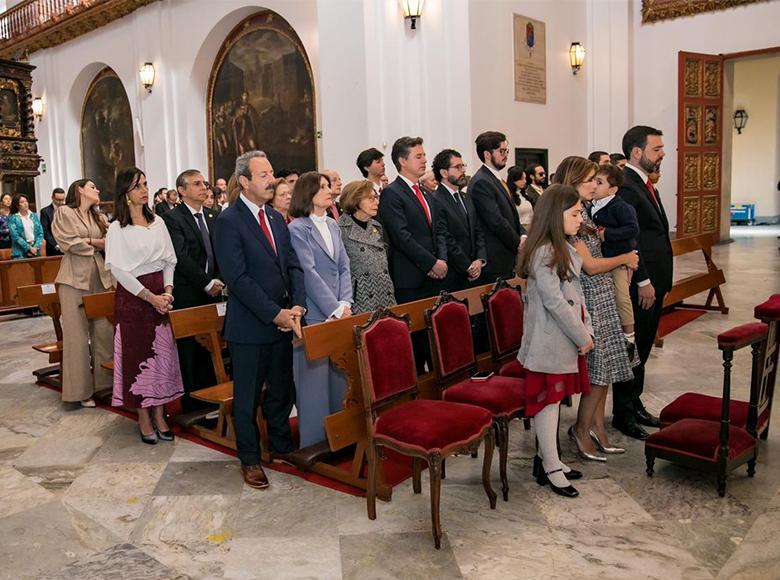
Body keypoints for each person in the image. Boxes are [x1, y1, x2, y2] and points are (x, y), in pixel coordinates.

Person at [214, 151, 305, 489]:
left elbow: (293, 266)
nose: (271, 180)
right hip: (250, 327)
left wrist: (297, 306)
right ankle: (250, 459)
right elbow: (237, 279)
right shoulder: (229, 221)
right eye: (263, 175)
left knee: (282, 390)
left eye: (271, 173)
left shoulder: (277, 218)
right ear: (244, 182)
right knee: (248, 396)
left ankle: (281, 446)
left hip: (284, 321)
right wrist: (275, 313)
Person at [553, 157, 639, 460]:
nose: (594, 184)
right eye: (589, 179)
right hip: (589, 297)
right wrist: (625, 258)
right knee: (598, 374)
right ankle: (581, 430)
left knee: (608, 372)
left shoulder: (586, 211)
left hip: (603, 296)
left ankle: (597, 429)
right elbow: (588, 266)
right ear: (574, 181)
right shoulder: (569, 216)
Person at [516, 184, 593, 498]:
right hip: (550, 342)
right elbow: (555, 302)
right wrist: (581, 335)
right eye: (574, 213)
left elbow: (574, 296)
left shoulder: (559, 246)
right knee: (548, 404)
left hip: (563, 339)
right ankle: (550, 468)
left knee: (555, 403)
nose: (580, 218)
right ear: (554, 215)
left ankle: (550, 460)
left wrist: (586, 328)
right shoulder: (545, 252)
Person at [105, 167, 183, 445]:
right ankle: (143, 416)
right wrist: (150, 296)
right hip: (134, 297)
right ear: (125, 193)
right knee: (139, 358)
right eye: (138, 186)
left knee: (162, 357)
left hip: (161, 293)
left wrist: (168, 291)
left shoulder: (158, 222)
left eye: (146, 184)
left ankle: (161, 414)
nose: (144, 190)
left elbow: (169, 260)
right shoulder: (117, 228)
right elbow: (118, 270)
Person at [612, 125, 672, 439]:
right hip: (642, 284)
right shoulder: (627, 186)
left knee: (644, 346)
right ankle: (623, 413)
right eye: (657, 149)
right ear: (637, 152)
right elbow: (630, 239)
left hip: (656, 280)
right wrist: (644, 280)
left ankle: (635, 403)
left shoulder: (645, 184)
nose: (663, 154)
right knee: (632, 349)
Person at [289, 172, 353, 448]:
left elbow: (344, 266)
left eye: (329, 186)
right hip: (316, 312)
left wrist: (346, 302)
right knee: (313, 382)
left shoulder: (333, 224)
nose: (329, 191)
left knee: (339, 375)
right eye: (323, 187)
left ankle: (340, 435)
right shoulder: (297, 228)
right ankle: (314, 441)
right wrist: (333, 307)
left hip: (340, 308)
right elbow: (308, 272)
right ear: (308, 194)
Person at [379, 136, 446, 373]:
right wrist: (431, 263)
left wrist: (442, 260)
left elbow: (438, 230)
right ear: (402, 161)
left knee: (433, 340)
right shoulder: (392, 194)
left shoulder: (427, 194)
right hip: (411, 279)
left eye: (424, 155)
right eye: (418, 156)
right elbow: (401, 237)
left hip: (434, 277)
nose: (424, 160)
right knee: (415, 343)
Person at [161, 169, 223, 412]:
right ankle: (194, 403)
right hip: (189, 291)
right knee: (190, 349)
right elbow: (181, 256)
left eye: (204, 183)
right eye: (196, 184)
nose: (203, 187)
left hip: (214, 289)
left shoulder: (212, 214)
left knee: (213, 345)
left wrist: (218, 279)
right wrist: (206, 282)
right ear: (182, 191)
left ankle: (213, 395)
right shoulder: (172, 218)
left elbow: (220, 250)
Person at [52, 179, 113, 407]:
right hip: (73, 279)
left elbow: (111, 241)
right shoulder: (65, 212)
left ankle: (105, 385)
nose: (97, 189)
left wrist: (94, 242)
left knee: (104, 330)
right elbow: (68, 242)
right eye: (92, 187)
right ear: (79, 190)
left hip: (100, 275)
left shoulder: (99, 216)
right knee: (77, 336)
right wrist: (96, 242)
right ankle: (79, 392)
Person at [591, 163, 639, 356]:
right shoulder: (592, 205)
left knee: (621, 295)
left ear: (612, 189)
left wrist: (607, 234)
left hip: (619, 258)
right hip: (603, 260)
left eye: (599, 182)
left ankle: (629, 335)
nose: (594, 185)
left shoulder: (620, 206)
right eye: (593, 180)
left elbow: (632, 229)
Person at [469, 131, 525, 282]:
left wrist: (524, 235)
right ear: (487, 154)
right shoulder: (482, 181)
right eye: (502, 151)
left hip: (506, 255)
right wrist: (518, 242)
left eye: (506, 150)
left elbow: (511, 215)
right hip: (495, 258)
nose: (506, 154)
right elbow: (496, 221)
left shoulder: (495, 178)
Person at [337, 180, 395, 313]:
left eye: (376, 197)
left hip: (385, 295)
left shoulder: (376, 226)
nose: (377, 202)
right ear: (355, 200)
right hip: (360, 299)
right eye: (371, 198)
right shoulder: (340, 228)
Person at [431, 148, 485, 291]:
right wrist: (467, 266)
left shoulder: (466, 197)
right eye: (457, 167)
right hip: (454, 274)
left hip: (476, 269)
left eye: (463, 166)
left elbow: (478, 230)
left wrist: (479, 260)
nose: (463, 170)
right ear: (443, 173)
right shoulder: (436, 200)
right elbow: (445, 238)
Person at [8, 193, 44, 259]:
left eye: (26, 201)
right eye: (22, 202)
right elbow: (15, 236)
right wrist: (29, 248)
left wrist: (36, 247)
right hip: (20, 252)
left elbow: (40, 233)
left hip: (35, 250)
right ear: (17, 205)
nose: (25, 203)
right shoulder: (13, 218)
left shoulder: (34, 215)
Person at [40, 188, 66, 256]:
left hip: (67, 245)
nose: (60, 202)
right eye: (58, 200)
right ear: (52, 198)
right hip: (53, 248)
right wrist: (55, 244)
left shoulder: (67, 209)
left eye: (62, 200)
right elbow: (45, 231)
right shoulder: (45, 211)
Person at [507, 165, 533, 230]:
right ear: (514, 179)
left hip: (530, 230)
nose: (525, 181)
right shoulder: (508, 196)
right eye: (521, 179)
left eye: (525, 178)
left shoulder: (525, 194)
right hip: (519, 231)